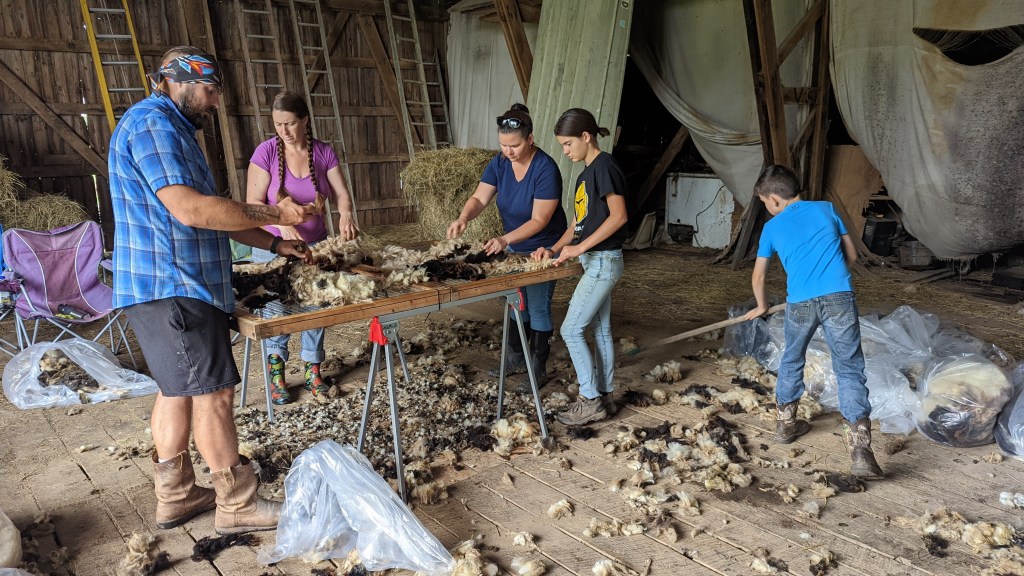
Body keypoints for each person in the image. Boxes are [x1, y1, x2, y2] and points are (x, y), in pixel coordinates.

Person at [109, 46, 317, 534]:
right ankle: (237, 504)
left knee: (176, 390)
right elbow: (193, 211)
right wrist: (278, 214)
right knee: (214, 394)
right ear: (178, 80)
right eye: (210, 90)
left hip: (165, 284)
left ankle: (177, 495)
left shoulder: (172, 130)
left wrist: (273, 244)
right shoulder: (153, 125)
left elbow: (215, 217)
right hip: (175, 284)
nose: (216, 102)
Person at [741, 164, 883, 478]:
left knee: (791, 358)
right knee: (848, 367)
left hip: (800, 302)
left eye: (765, 202)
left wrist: (763, 304)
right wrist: (835, 277)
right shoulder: (826, 209)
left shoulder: (772, 227)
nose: (767, 207)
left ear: (775, 200)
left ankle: (785, 426)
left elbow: (759, 274)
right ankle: (860, 451)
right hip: (839, 297)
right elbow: (853, 256)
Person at [246, 91, 359, 404]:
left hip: (314, 244)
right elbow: (253, 205)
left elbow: (341, 193)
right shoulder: (265, 152)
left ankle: (313, 370)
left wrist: (346, 212)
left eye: (290, 123)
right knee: (276, 309)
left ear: (305, 120)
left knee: (315, 307)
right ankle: (277, 376)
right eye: (278, 124)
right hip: (272, 246)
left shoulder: (322, 153)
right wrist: (283, 228)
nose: (283, 130)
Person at [447, 103, 566, 391]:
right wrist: (464, 217)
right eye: (503, 144)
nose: (508, 151)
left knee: (537, 307)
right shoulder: (499, 163)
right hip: (514, 243)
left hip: (542, 247)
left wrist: (505, 240)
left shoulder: (545, 168)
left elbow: (540, 219)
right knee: (515, 303)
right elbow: (479, 198)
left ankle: (537, 366)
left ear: (530, 139)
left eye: (514, 145)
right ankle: (516, 357)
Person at [531, 108, 628, 425]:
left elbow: (619, 216)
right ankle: (606, 395)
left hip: (603, 260)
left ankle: (590, 400)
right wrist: (555, 247)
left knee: (571, 330)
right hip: (594, 260)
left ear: (586, 137)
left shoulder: (605, 167)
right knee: (600, 330)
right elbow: (579, 222)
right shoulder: (587, 174)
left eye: (568, 144)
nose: (565, 151)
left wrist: (581, 248)